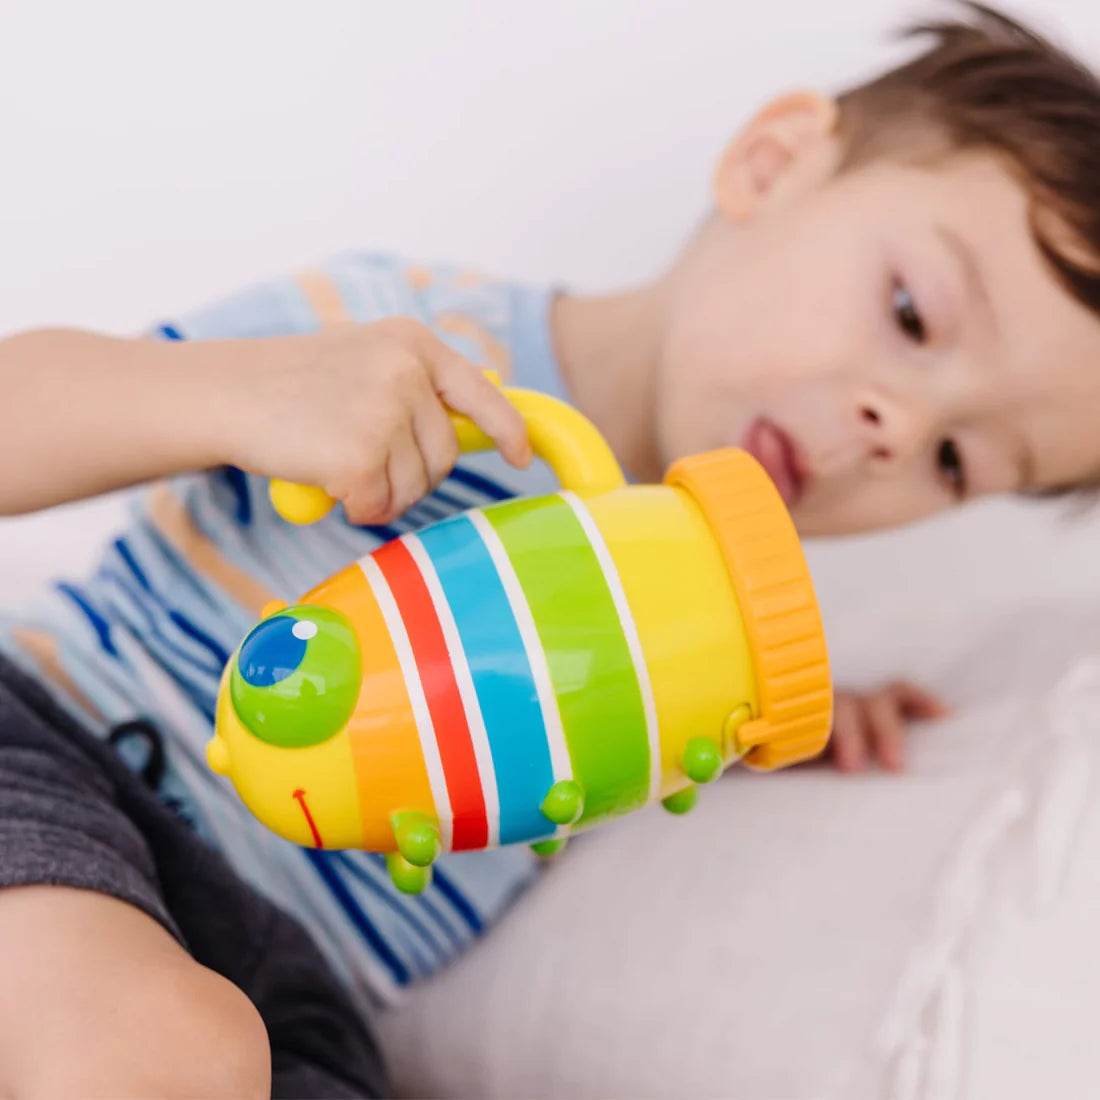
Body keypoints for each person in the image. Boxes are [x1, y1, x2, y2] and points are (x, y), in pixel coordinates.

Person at [3, 2, 1100, 1094]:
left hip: (294, 982)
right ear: (770, 165)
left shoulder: (695, 632)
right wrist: (228, 393)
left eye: (956, 459)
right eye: (910, 313)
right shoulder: (399, 348)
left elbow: (546, 723)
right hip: (66, 754)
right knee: (157, 1048)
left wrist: (754, 714)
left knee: (236, 1051)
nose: (894, 429)